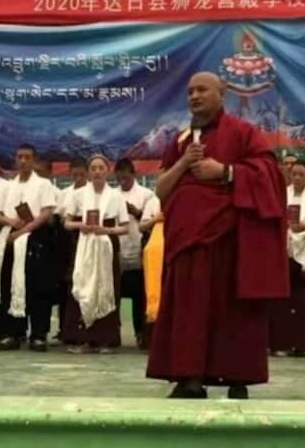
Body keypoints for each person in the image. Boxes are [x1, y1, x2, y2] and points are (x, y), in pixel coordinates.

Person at [146, 71, 288, 399]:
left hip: (228, 242)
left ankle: (235, 376)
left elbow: (270, 175)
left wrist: (226, 172)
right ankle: (189, 378)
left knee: (230, 311)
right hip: (186, 241)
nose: (194, 96)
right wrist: (183, 163)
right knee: (189, 311)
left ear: (221, 94)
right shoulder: (180, 142)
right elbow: (162, 192)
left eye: (202, 90)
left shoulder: (243, 133)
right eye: (190, 91)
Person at [0, 144, 58, 352]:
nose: (22, 161)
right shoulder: (8, 187)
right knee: (10, 286)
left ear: (34, 160)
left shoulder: (43, 185)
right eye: (19, 157)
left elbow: (46, 213)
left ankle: (38, 335)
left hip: (36, 240)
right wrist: (12, 222)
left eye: (27, 157)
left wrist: (24, 230)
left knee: (37, 288)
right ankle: (12, 333)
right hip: (11, 239)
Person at [68, 155, 130, 353]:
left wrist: (108, 231)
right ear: (88, 172)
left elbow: (126, 227)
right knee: (84, 287)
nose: (96, 172)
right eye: (93, 168)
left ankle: (106, 340)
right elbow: (67, 222)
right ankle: (85, 339)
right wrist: (81, 225)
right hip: (85, 245)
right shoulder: (78, 195)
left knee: (106, 289)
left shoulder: (116, 196)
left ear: (107, 170)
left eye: (100, 168)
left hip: (107, 244)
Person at [270, 160, 305, 358]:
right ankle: (282, 343)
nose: (297, 177)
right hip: (284, 251)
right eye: (294, 173)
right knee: (283, 299)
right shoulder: (281, 194)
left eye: (301, 174)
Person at [114, 157, 155, 349]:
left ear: (133, 175)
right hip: (117, 250)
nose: (123, 182)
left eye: (126, 178)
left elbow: (151, 223)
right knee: (114, 294)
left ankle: (140, 333)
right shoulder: (112, 195)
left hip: (138, 249)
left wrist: (136, 212)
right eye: (119, 179)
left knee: (140, 296)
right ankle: (114, 332)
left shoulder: (147, 195)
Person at [56, 157, 88, 345]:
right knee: (66, 286)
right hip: (66, 242)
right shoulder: (64, 193)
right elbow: (60, 216)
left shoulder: (92, 192)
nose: (78, 178)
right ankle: (64, 328)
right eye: (75, 174)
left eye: (81, 174)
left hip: (84, 239)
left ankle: (84, 327)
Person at [140, 195, 164, 349]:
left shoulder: (186, 197)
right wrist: (157, 218)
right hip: (155, 254)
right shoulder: (153, 202)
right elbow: (141, 227)